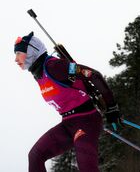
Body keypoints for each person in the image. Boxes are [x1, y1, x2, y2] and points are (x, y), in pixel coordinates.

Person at [14, 31, 122, 172]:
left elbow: (93, 75)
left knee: (86, 166)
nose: (15, 59)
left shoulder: (55, 67)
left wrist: (112, 107)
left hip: (86, 121)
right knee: (35, 155)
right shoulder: (39, 75)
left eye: (18, 53)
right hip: (68, 124)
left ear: (31, 51)